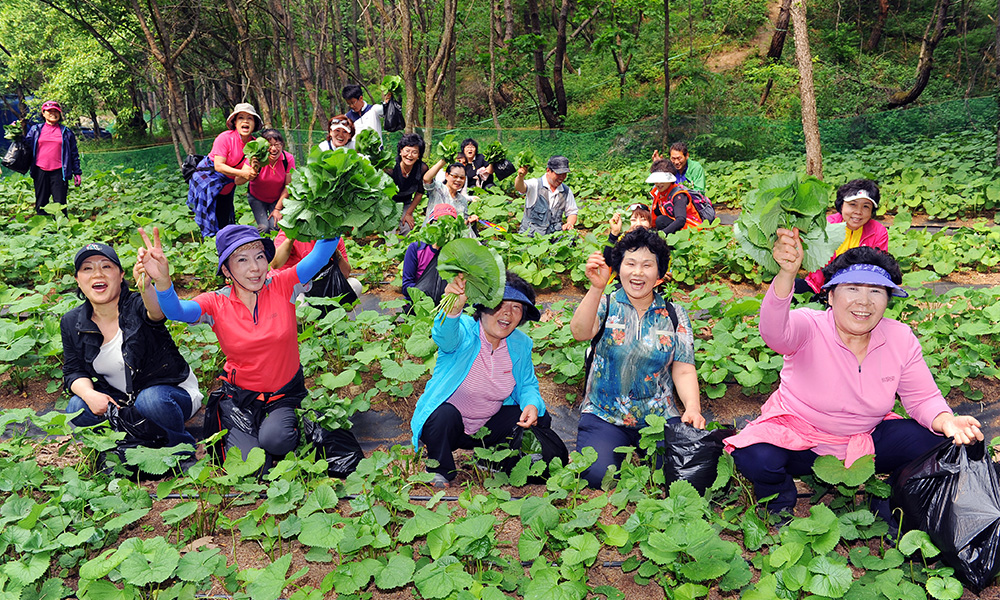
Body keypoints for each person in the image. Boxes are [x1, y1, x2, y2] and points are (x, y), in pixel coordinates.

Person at [725, 235, 983, 523]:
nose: (864, 301)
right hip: (800, 438)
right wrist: (787, 274)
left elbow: (922, 398)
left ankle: (888, 496)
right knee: (756, 457)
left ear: (888, 300)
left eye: (876, 291)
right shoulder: (809, 326)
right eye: (852, 288)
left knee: (937, 445)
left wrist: (947, 421)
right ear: (831, 296)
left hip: (866, 436)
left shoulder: (899, 338)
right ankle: (780, 501)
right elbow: (775, 331)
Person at [138, 224, 343, 464]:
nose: (255, 268)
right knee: (248, 465)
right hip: (241, 398)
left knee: (276, 440)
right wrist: (163, 282)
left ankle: (285, 424)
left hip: (283, 394)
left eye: (260, 257)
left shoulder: (283, 284)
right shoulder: (216, 302)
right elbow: (178, 311)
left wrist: (332, 215)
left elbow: (318, 257)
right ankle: (251, 430)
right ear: (226, 270)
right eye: (242, 260)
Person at [570, 228, 705, 489]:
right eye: (630, 264)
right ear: (619, 268)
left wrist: (692, 408)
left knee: (681, 475)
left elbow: (684, 370)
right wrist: (596, 289)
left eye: (647, 265)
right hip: (604, 413)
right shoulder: (606, 303)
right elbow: (579, 332)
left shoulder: (674, 314)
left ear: (659, 273)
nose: (638, 273)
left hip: (658, 416)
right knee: (598, 476)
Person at [410, 271, 567, 486]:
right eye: (500, 304)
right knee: (442, 415)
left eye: (516, 308)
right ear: (482, 307)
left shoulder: (520, 344)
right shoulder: (464, 330)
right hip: (452, 426)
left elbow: (528, 384)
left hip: (489, 426)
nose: (508, 313)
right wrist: (453, 309)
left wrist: (531, 403)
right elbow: (444, 336)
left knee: (539, 416)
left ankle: (490, 459)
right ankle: (440, 468)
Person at [61, 242, 202, 453]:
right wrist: (91, 395)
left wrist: (146, 286)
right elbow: (74, 371)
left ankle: (181, 448)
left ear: (120, 276)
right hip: (123, 400)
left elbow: (156, 314)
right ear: (78, 281)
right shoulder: (72, 322)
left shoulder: (137, 304)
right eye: (87, 268)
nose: (97, 273)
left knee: (150, 400)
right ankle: (120, 448)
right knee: (76, 407)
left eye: (106, 267)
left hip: (169, 394)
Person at [798, 179, 889, 295]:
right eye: (853, 204)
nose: (858, 212)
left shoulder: (879, 232)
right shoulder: (826, 225)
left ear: (872, 211)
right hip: (819, 287)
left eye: (866, 206)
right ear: (841, 205)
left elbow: (877, 269)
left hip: (857, 291)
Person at [270, 229, 362, 303]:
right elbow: (275, 264)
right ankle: (308, 322)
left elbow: (345, 274)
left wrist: (334, 251)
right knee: (300, 304)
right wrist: (292, 237)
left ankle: (330, 319)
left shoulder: (332, 236)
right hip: (293, 287)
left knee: (355, 285)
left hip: (320, 285)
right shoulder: (289, 232)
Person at [23, 100, 81, 216]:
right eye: (49, 111)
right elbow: (26, 145)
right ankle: (43, 230)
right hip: (40, 171)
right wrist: (17, 134)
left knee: (60, 204)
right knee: (41, 203)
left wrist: (77, 172)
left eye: (56, 111)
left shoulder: (66, 132)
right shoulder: (36, 130)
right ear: (43, 113)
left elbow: (74, 153)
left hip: (60, 172)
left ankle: (61, 230)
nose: (53, 113)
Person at [209, 103, 262, 228]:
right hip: (210, 183)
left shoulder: (255, 144)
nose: (245, 121)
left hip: (228, 185)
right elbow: (219, 166)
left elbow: (239, 181)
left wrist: (251, 173)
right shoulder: (225, 138)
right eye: (241, 118)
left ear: (254, 123)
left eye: (250, 118)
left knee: (226, 218)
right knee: (209, 218)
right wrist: (243, 173)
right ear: (235, 122)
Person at [401, 203, 458, 307]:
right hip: (420, 304)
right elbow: (406, 286)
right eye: (439, 223)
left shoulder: (457, 253)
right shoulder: (416, 249)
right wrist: (426, 296)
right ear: (430, 225)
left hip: (447, 304)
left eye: (449, 224)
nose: (444, 228)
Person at [514, 155, 578, 236]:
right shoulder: (535, 184)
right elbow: (520, 188)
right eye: (559, 174)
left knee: (572, 238)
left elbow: (572, 212)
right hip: (531, 235)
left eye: (564, 174)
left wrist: (569, 223)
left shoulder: (566, 191)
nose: (562, 177)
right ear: (548, 170)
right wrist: (520, 176)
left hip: (554, 235)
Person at [247, 129, 294, 234]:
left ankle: (276, 249)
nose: (273, 149)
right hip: (257, 197)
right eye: (269, 145)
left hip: (277, 198)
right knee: (263, 227)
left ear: (282, 145)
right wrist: (253, 170)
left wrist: (277, 209)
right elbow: (239, 180)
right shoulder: (256, 158)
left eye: (277, 145)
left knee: (275, 226)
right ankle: (260, 246)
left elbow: (288, 186)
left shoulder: (288, 159)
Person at [648, 159, 702, 234]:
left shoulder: (678, 195)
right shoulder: (659, 194)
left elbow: (681, 220)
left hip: (692, 229)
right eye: (656, 180)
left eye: (663, 180)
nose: (659, 183)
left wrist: (660, 235)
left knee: (661, 220)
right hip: (676, 227)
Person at [391, 133, 429, 236]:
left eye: (414, 152)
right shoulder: (390, 167)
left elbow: (420, 192)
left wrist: (408, 213)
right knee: (390, 231)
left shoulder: (422, 169)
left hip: (405, 203)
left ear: (419, 155)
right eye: (407, 151)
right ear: (400, 151)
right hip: (389, 203)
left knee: (408, 228)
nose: (409, 155)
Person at [422, 159, 477, 224]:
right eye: (455, 176)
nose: (458, 180)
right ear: (447, 175)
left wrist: (469, 220)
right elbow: (426, 179)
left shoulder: (462, 200)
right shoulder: (437, 189)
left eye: (462, 178)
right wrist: (443, 161)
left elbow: (462, 224)